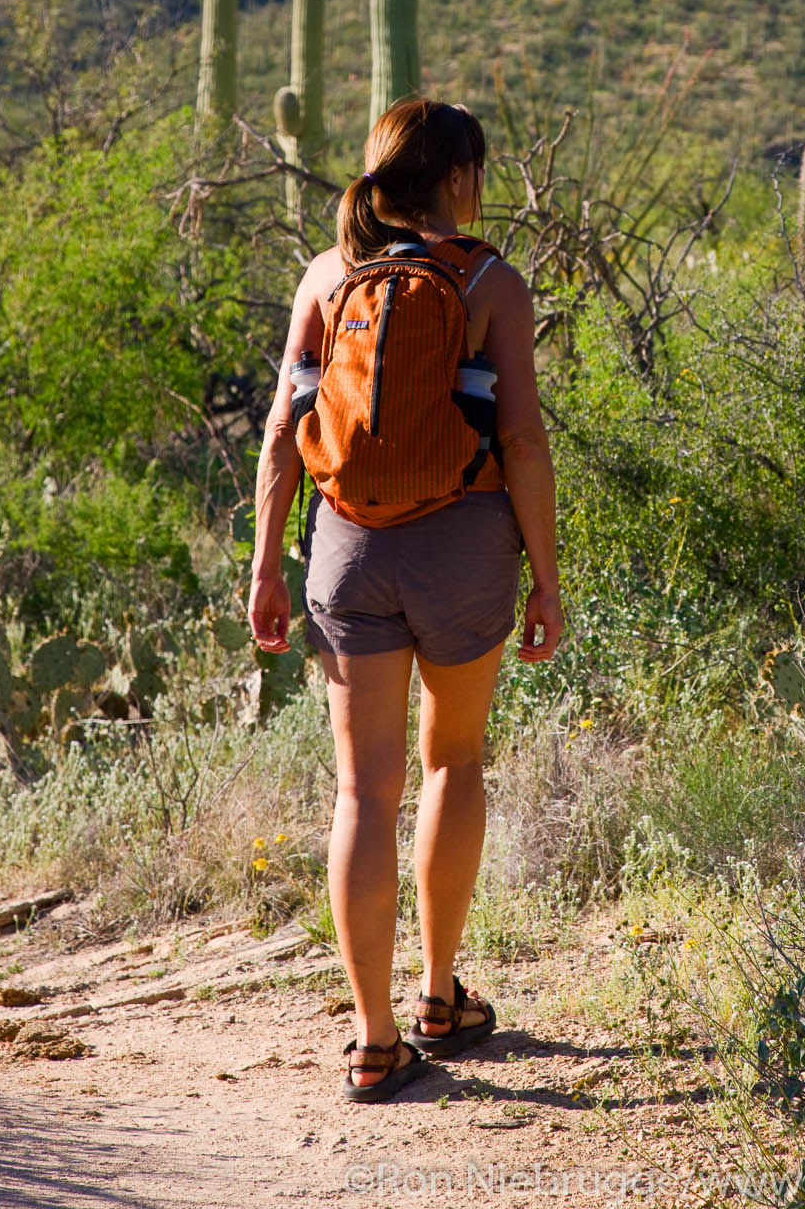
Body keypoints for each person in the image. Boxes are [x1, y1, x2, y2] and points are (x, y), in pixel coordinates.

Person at [247, 98, 563, 1102]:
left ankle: (374, 1041)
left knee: (361, 790)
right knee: (452, 758)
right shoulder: (489, 281)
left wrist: (264, 562)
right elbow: (520, 441)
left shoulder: (327, 274)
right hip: (462, 547)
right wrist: (548, 577)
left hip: (345, 548)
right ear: (459, 179)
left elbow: (280, 431)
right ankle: (439, 997)